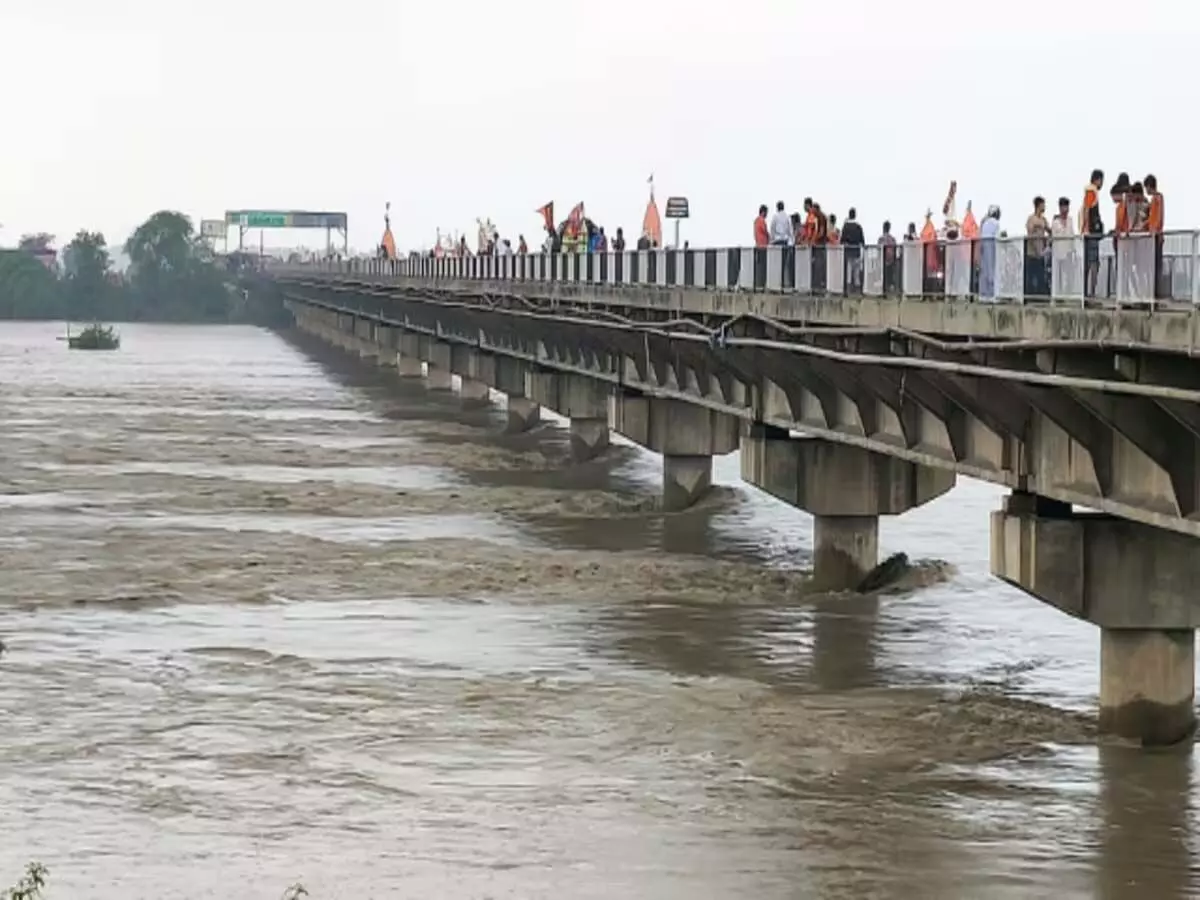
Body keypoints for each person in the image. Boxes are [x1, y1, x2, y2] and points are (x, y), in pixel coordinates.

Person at [1079, 169, 1105, 298]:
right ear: (1097, 179)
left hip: (1088, 233)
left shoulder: (1090, 191)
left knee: (1090, 263)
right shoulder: (1091, 191)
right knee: (1092, 263)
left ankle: (1087, 292)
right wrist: (1087, 229)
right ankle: (1090, 292)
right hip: (1090, 234)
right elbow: (1088, 210)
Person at [1024, 196, 1049, 297]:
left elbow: (1049, 230)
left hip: (1041, 252)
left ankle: (1041, 296)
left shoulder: (1043, 219)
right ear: (1038, 205)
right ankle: (1029, 296)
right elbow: (1030, 234)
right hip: (1032, 253)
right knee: (1031, 275)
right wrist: (1035, 249)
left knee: (1041, 275)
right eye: (1043, 205)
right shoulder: (1031, 219)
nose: (1044, 207)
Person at [978, 206, 1001, 301]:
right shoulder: (995, 223)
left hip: (983, 244)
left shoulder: (985, 222)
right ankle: (991, 294)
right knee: (992, 269)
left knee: (984, 270)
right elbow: (997, 236)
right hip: (992, 245)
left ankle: (983, 294)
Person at [841, 208, 865, 293]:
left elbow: (842, 240)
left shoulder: (845, 227)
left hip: (848, 252)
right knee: (856, 273)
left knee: (848, 272)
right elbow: (862, 241)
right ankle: (857, 290)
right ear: (855, 215)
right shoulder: (858, 227)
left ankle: (848, 289)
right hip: (857, 252)